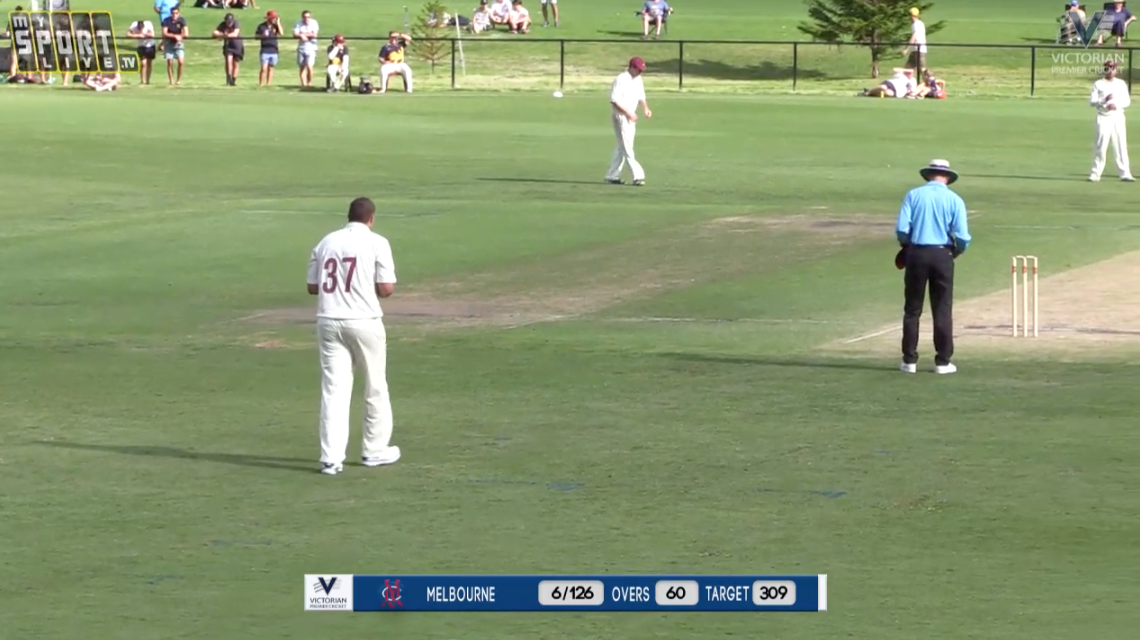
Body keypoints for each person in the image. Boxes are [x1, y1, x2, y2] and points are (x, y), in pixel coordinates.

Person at [305, 197, 401, 476]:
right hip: (364, 321)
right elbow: (386, 288)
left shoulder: (326, 242)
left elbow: (313, 287)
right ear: (371, 218)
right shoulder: (377, 242)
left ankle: (330, 459)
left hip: (328, 320)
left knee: (333, 390)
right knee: (375, 386)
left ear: (348, 216)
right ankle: (374, 450)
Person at [895, 159, 970, 375]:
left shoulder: (914, 195)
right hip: (942, 254)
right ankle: (943, 362)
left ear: (928, 175)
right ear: (947, 177)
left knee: (912, 309)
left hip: (916, 253)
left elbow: (902, 229)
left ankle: (909, 361)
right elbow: (963, 237)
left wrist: (907, 246)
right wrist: (956, 252)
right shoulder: (955, 199)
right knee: (942, 309)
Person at [605, 57, 652, 186]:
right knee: (627, 146)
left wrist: (645, 108)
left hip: (631, 116)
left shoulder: (638, 79)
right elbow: (614, 100)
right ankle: (638, 175)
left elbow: (641, 96)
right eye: (638, 69)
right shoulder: (621, 79)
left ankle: (612, 175)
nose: (640, 72)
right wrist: (628, 113)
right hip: (621, 116)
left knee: (622, 146)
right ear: (631, 67)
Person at [1088, 59, 1134, 181]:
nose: (1110, 70)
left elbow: (1126, 101)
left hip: (1117, 116)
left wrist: (1116, 105)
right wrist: (1104, 101)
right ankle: (1095, 174)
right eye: (1108, 68)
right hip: (1103, 117)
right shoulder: (1098, 84)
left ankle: (1125, 173)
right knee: (1101, 146)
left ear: (1116, 70)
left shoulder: (1121, 84)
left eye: (1113, 68)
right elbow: (1092, 101)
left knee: (1120, 145)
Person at [213, 13, 245, 86]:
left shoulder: (236, 23)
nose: (228, 23)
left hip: (237, 45)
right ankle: (228, 78)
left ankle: (233, 80)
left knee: (235, 63)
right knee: (228, 61)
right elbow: (214, 33)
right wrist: (221, 35)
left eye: (230, 21)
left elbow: (235, 34)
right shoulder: (223, 24)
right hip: (228, 45)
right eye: (227, 21)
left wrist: (224, 35)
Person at [161, 6, 188, 85]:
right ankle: (171, 80)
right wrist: (174, 36)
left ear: (178, 13)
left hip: (178, 44)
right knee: (170, 62)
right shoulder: (166, 20)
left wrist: (180, 36)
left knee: (181, 62)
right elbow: (164, 33)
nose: (174, 15)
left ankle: (178, 80)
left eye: (176, 13)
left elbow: (186, 33)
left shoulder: (182, 20)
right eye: (173, 13)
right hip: (169, 43)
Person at [255, 10, 283, 87]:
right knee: (263, 68)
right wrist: (263, 35)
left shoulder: (276, 26)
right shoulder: (261, 26)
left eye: (275, 18)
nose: (274, 19)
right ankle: (261, 84)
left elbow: (281, 33)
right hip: (265, 50)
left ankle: (268, 84)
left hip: (274, 50)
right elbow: (256, 37)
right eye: (273, 18)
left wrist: (278, 23)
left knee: (271, 68)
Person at [293, 10, 320, 88]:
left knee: (309, 66)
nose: (306, 19)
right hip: (301, 47)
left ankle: (309, 83)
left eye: (308, 17)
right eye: (305, 17)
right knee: (302, 67)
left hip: (311, 48)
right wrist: (301, 36)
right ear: (302, 17)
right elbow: (294, 34)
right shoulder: (299, 23)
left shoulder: (314, 23)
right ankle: (303, 84)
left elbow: (314, 34)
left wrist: (302, 34)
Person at [126, 19, 156, 85]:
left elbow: (152, 34)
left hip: (150, 45)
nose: (140, 29)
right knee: (143, 63)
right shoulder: (133, 25)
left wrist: (144, 34)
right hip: (141, 46)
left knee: (149, 63)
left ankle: (148, 80)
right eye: (139, 28)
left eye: (141, 28)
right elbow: (128, 34)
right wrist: (137, 35)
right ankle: (142, 80)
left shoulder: (148, 24)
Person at [904, 7, 927, 73]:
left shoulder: (916, 24)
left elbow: (914, 36)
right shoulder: (920, 23)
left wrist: (906, 49)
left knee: (922, 70)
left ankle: (931, 79)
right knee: (908, 69)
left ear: (912, 16)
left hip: (918, 50)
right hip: (916, 50)